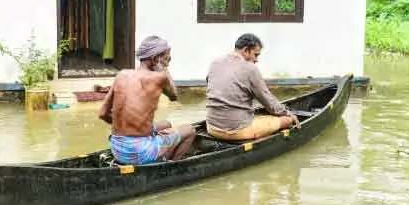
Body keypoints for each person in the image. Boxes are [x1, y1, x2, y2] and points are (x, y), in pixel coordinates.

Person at [98, 36, 195, 165]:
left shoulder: (122, 75)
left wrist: (128, 129)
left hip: (117, 148)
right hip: (140, 153)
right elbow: (174, 96)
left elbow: (102, 113)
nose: (168, 62)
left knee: (166, 124)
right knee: (190, 130)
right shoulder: (160, 77)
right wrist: (164, 70)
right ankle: (169, 165)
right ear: (155, 59)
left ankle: (147, 144)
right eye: (167, 58)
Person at [205, 33, 299, 141]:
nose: (256, 60)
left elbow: (212, 85)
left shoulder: (215, 63)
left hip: (211, 127)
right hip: (235, 130)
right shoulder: (250, 69)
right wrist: (288, 114)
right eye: (256, 55)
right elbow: (268, 102)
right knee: (286, 120)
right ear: (245, 50)